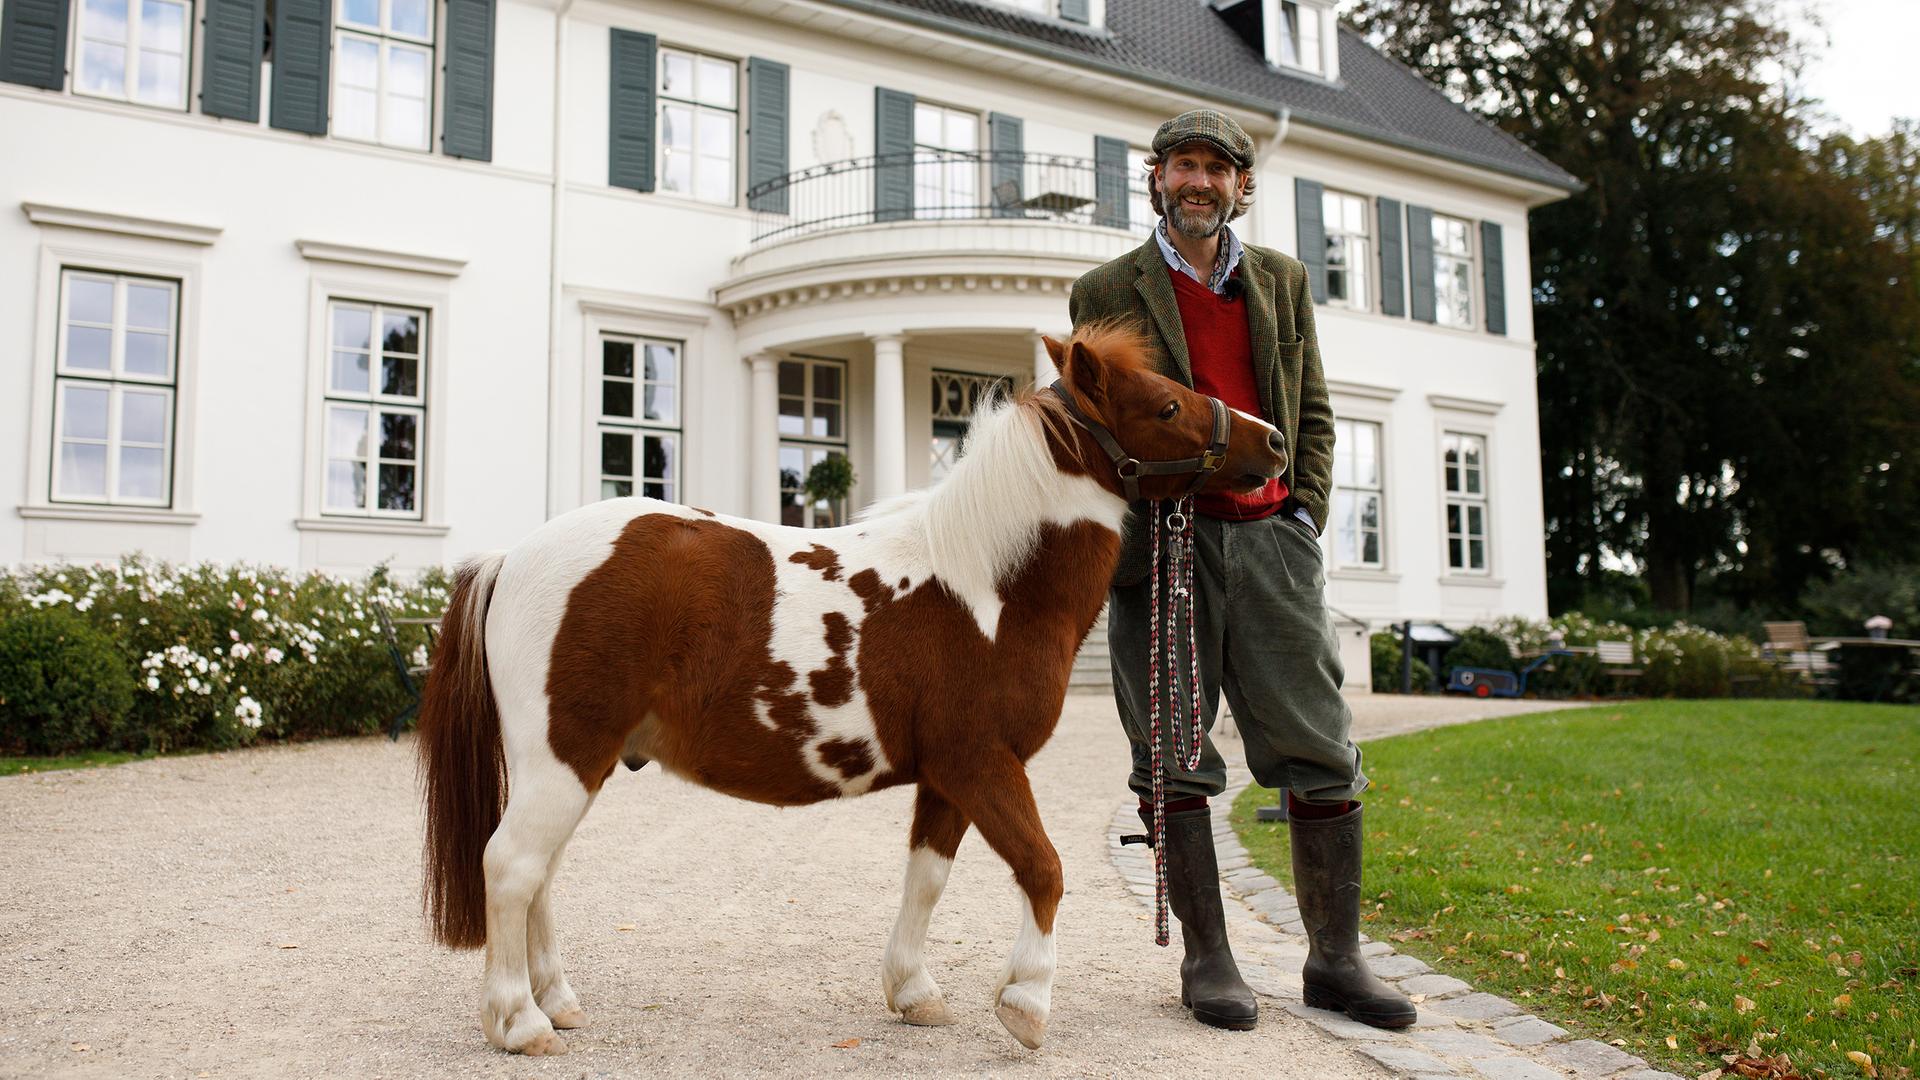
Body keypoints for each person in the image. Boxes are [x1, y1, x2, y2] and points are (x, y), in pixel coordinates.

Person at [1067, 109, 1415, 1032]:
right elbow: (1104, 432)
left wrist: (1304, 515)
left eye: (1217, 170)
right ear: (1156, 177)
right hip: (1165, 545)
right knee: (1174, 757)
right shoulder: (1105, 288)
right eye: (1184, 165)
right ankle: (1208, 958)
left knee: (1322, 748)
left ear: (1241, 188)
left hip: (1272, 543)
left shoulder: (1282, 281)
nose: (1200, 182)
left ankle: (1336, 962)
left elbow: (1315, 410)